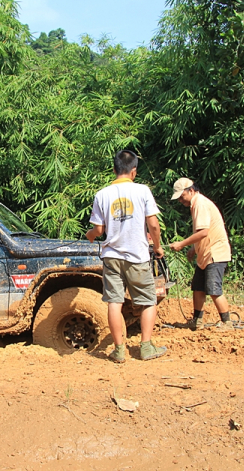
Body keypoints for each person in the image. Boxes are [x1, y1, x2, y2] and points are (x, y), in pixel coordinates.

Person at [86, 150, 167, 363]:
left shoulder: (101, 194)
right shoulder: (142, 191)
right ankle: (146, 347)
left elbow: (99, 230)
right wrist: (157, 247)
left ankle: (119, 350)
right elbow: (154, 225)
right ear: (134, 172)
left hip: (111, 256)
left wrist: (90, 235)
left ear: (114, 170)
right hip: (137, 255)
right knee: (148, 300)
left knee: (114, 301)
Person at [168, 178, 233, 330]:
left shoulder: (200, 204)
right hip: (205, 254)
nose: (180, 200)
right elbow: (202, 232)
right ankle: (197, 321)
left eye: (181, 196)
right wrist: (194, 249)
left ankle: (227, 322)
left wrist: (182, 244)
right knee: (198, 287)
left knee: (213, 288)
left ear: (190, 190)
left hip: (214, 253)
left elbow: (204, 232)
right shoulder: (196, 204)